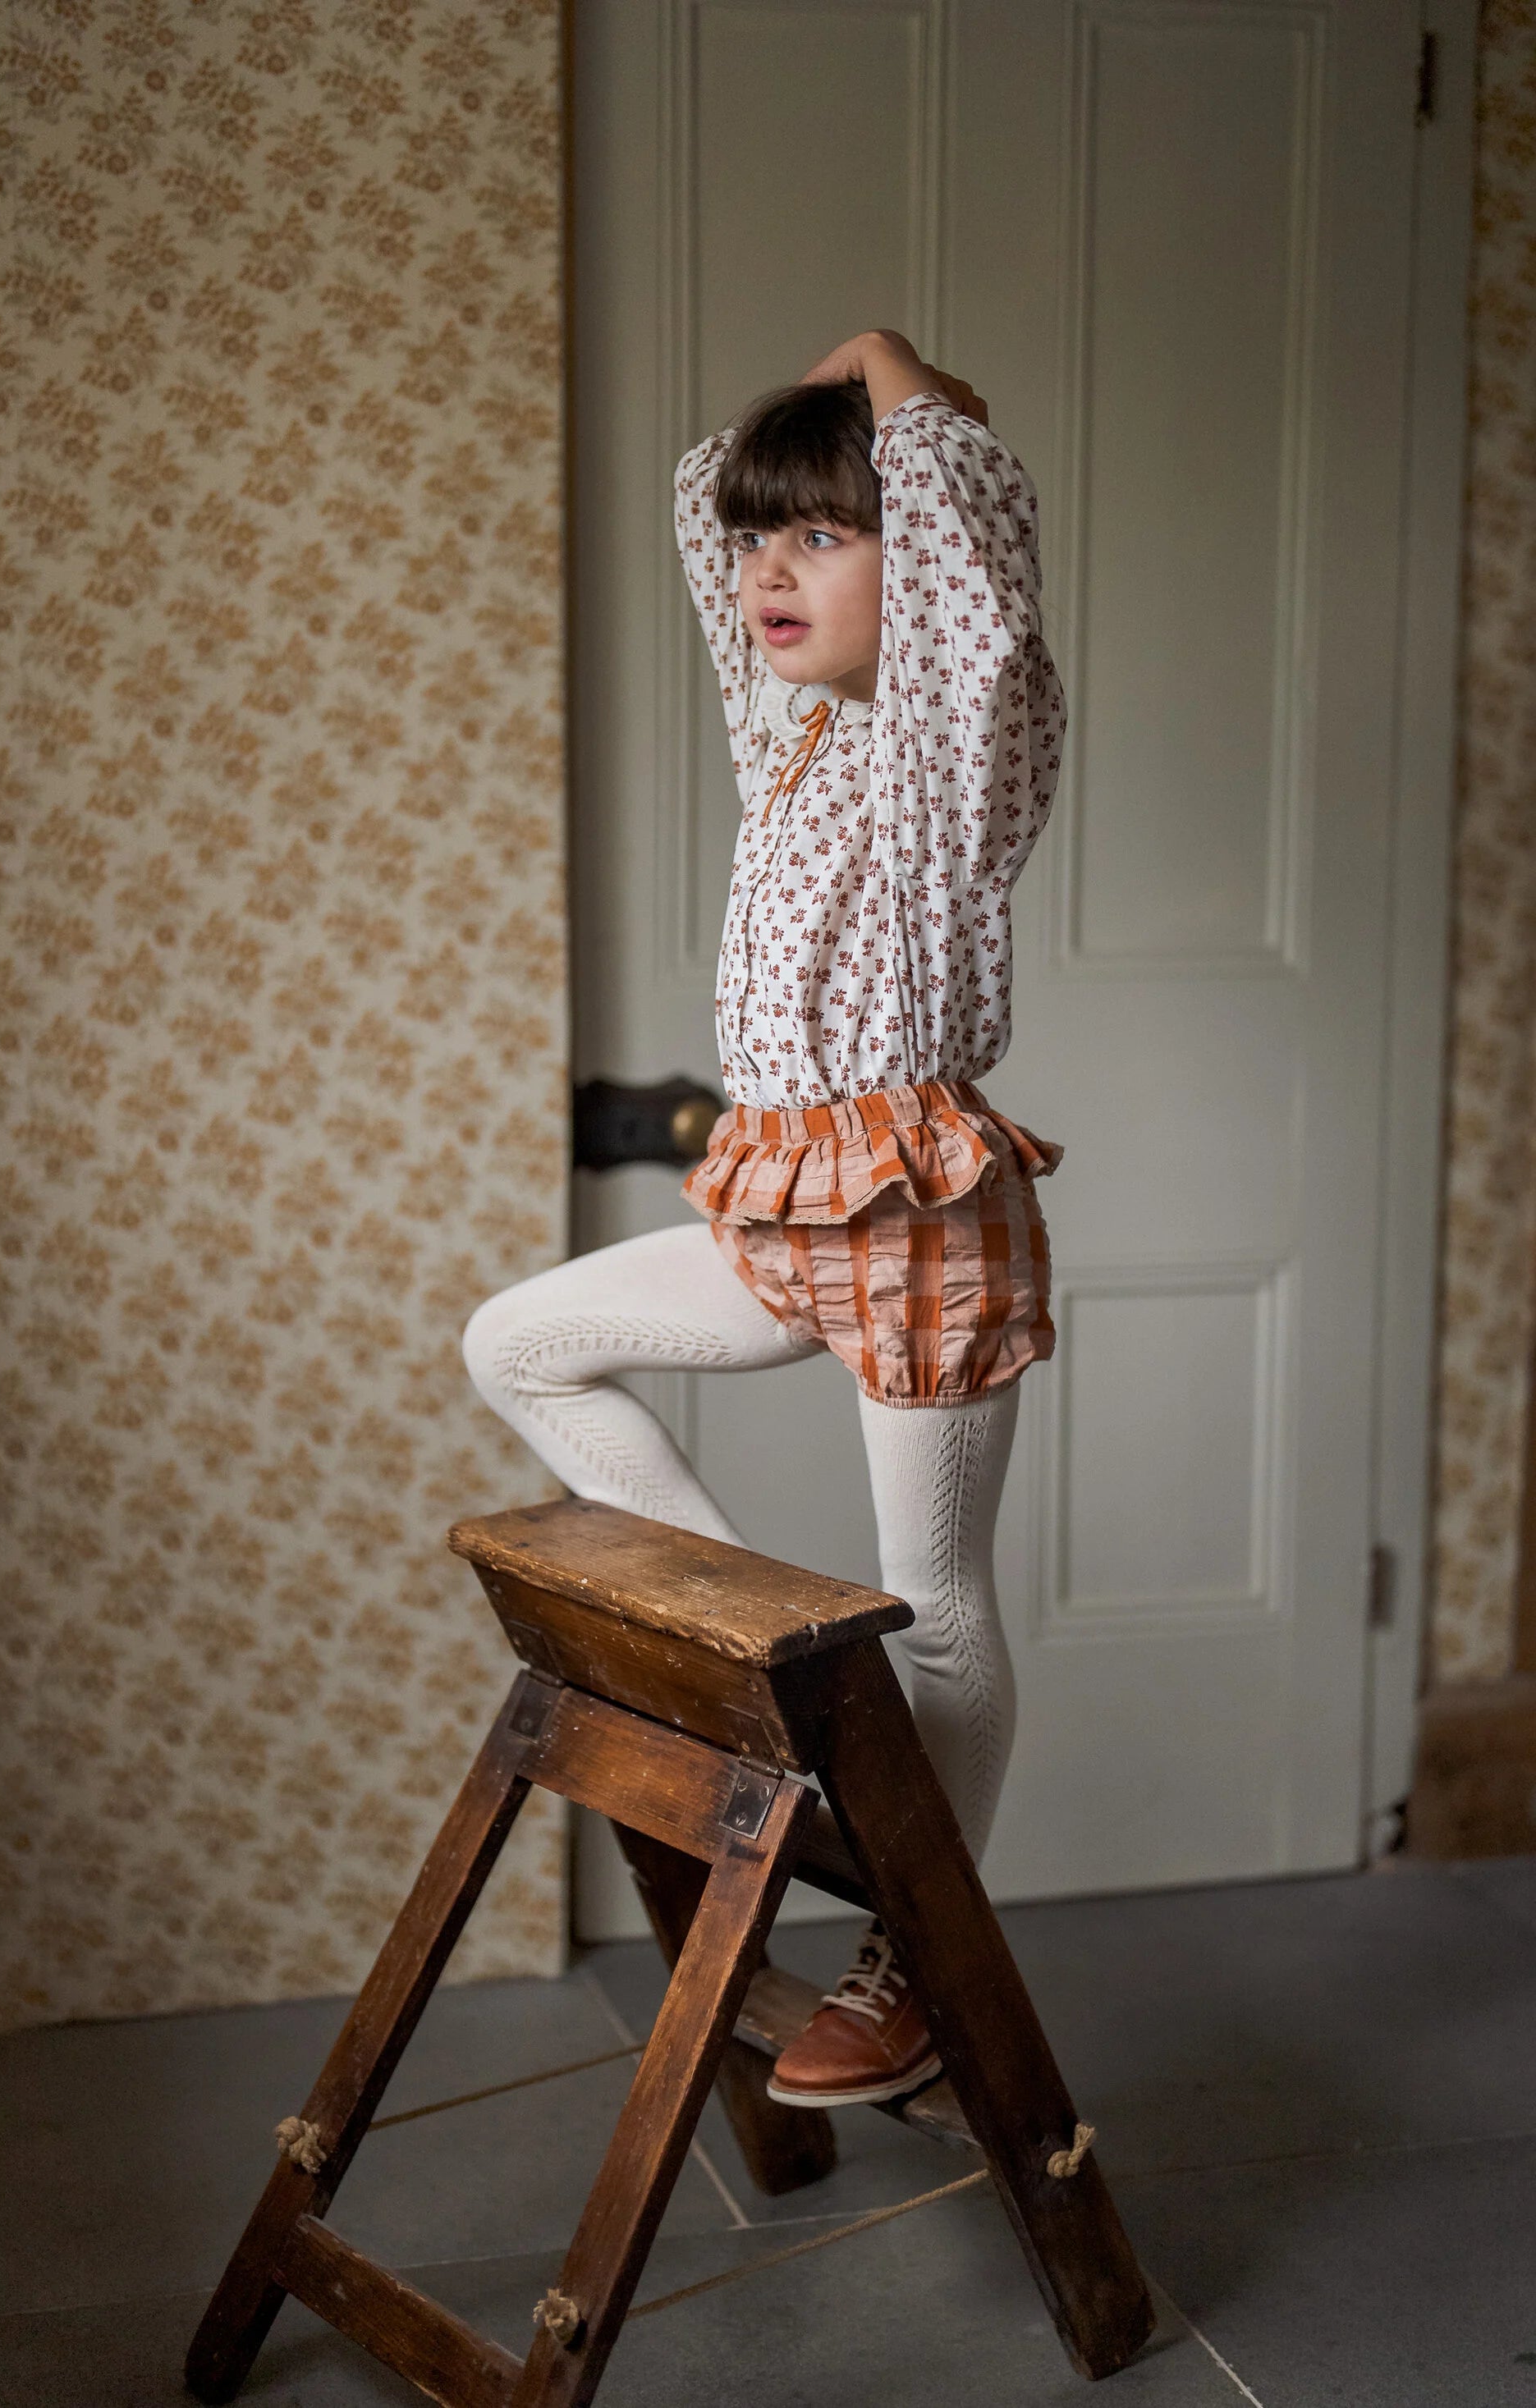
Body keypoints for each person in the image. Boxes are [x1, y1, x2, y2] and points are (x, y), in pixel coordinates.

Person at [465, 328, 1065, 2107]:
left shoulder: (966, 744)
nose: (767, 575)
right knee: (521, 1344)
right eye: (758, 541)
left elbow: (966, 568)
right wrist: (776, 456)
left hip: (917, 1212)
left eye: (822, 536)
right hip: (778, 1197)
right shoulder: (794, 733)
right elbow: (707, 516)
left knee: (935, 1602)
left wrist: (901, 385)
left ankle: (915, 1955)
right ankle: (767, 1685)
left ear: (930, 566)